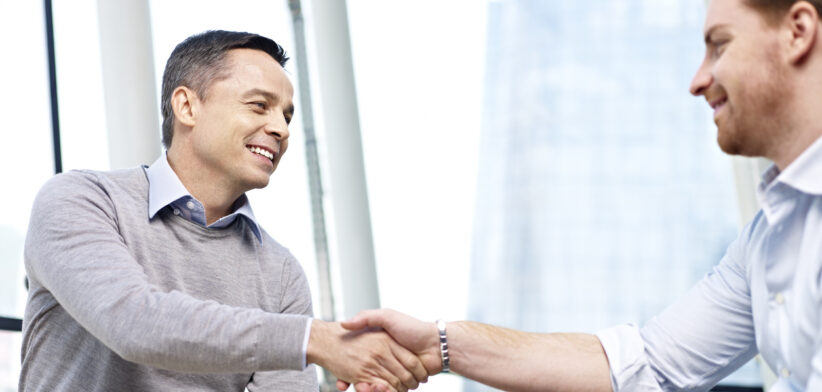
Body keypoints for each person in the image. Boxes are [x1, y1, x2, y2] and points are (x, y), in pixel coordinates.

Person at [339, 0, 822, 391]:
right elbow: (649, 364)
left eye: (719, 46)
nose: (698, 80)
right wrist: (441, 347)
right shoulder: (769, 234)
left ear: (798, 31)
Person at [20, 30, 427, 392]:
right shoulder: (81, 200)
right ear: (187, 107)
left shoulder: (281, 275)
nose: (282, 129)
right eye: (259, 105)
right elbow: (133, 323)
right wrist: (314, 340)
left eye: (286, 116)